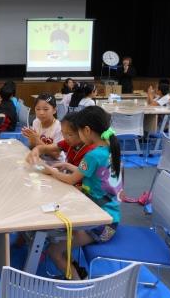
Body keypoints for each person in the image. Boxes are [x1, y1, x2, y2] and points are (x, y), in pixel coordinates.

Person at [40, 106, 122, 280]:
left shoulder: (92, 155)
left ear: (86, 130)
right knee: (64, 230)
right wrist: (68, 166)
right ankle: (74, 269)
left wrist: (51, 171)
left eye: (77, 132)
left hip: (103, 227)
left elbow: (71, 180)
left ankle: (78, 285)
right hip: (111, 218)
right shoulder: (108, 149)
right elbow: (88, 173)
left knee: (53, 250)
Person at [26, 112, 96, 176]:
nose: (66, 138)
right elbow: (43, 148)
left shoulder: (90, 151)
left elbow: (82, 175)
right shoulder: (68, 142)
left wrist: (53, 171)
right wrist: (35, 151)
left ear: (82, 132)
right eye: (63, 133)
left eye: (70, 134)